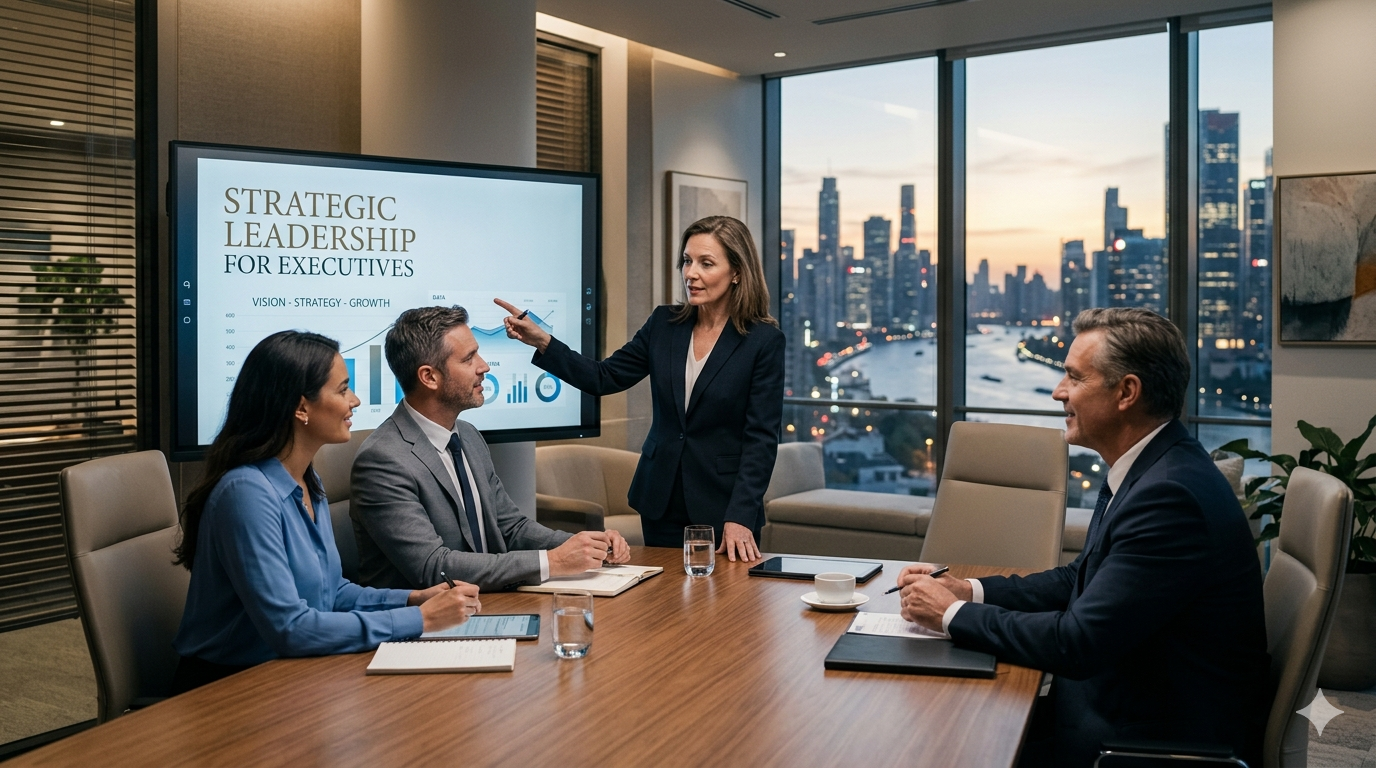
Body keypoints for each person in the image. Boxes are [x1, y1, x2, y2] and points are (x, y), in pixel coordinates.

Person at [895, 308, 1269, 767]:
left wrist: (950, 614)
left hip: (1142, 746)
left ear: (1127, 392)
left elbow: (1077, 643)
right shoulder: (1155, 468)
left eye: (1074, 377)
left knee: (932, 745)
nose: (1058, 391)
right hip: (1119, 710)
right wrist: (968, 590)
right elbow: (1079, 577)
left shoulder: (1170, 497)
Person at [171, 331, 480, 693]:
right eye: (343, 389)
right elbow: (290, 628)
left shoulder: (307, 480)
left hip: (293, 676)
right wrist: (418, 619)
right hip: (226, 689)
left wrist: (414, 598)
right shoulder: (246, 493)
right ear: (301, 408)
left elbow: (331, 593)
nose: (355, 400)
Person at [497, 215, 785, 560]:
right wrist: (543, 341)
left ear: (737, 272)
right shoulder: (664, 324)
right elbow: (603, 377)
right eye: (687, 261)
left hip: (724, 505)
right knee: (663, 592)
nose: (691, 273)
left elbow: (761, 439)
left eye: (706, 263)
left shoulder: (763, 341)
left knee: (725, 594)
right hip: (660, 497)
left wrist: (740, 515)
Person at [351, 306, 631, 593]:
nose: (484, 366)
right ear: (429, 377)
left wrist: (587, 546)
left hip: (489, 601)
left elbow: (511, 527)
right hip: (429, 615)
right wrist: (552, 561)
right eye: (469, 358)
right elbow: (434, 568)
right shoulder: (383, 460)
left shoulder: (468, 436)